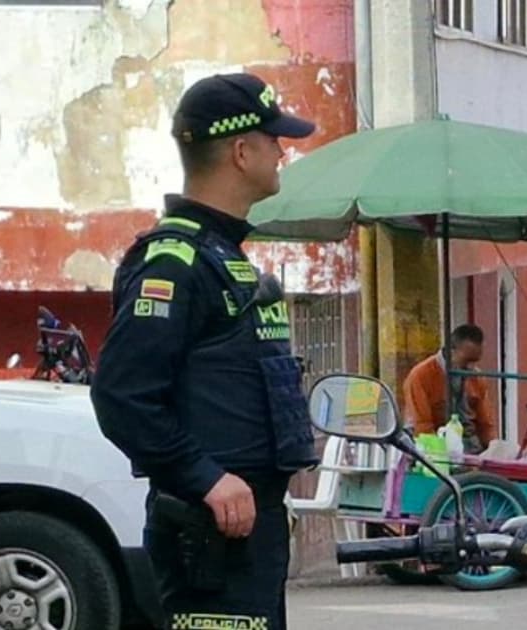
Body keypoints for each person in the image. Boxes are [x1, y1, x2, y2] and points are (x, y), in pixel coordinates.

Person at [90, 73, 318, 629]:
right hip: (209, 531)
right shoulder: (175, 263)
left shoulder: (220, 256)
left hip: (247, 527)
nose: (282, 151)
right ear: (242, 151)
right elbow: (122, 394)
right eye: (273, 139)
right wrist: (205, 477)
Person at [403, 324, 498, 455]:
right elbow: (422, 426)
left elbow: (485, 423)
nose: (471, 367)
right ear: (451, 352)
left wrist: (493, 450)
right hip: (431, 446)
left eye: (475, 361)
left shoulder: (477, 377)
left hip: (470, 447)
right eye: (467, 360)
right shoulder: (421, 376)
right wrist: (439, 458)